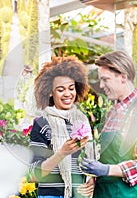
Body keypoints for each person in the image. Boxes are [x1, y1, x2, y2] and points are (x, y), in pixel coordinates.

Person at [79, 50, 137, 198]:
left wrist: (107, 170)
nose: (101, 85)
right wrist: (94, 178)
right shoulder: (112, 112)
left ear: (123, 77)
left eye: (105, 79)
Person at [29, 56, 95, 198]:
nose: (67, 94)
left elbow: (91, 160)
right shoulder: (42, 124)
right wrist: (61, 154)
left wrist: (93, 181)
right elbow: (34, 174)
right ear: (50, 92)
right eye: (60, 89)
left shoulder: (82, 121)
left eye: (71, 88)